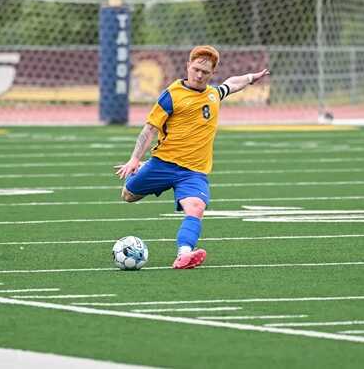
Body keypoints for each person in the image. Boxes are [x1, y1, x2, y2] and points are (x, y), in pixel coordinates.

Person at [114, 45, 269, 269]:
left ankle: (184, 254)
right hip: (162, 164)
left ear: (212, 74)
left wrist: (252, 77)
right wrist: (134, 159)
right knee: (128, 195)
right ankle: (144, 169)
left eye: (205, 72)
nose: (199, 75)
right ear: (188, 66)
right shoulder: (171, 95)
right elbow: (149, 129)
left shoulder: (213, 94)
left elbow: (232, 84)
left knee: (196, 208)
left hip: (193, 172)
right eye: (196, 69)